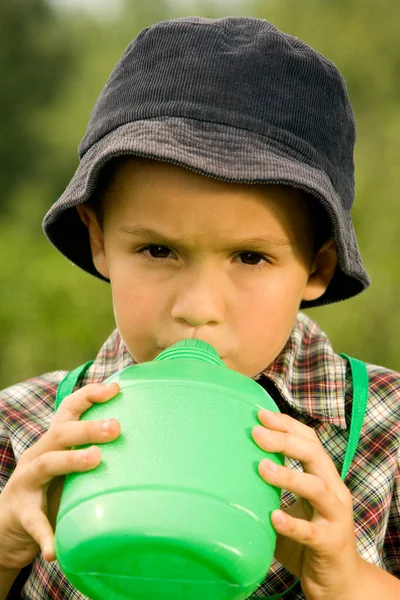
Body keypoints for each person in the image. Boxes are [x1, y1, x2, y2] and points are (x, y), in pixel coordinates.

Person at [0, 15, 399, 600]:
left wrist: (344, 580)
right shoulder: (25, 428)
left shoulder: (384, 431)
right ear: (99, 240)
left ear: (317, 267)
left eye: (250, 258)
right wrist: (7, 544)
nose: (197, 308)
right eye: (157, 250)